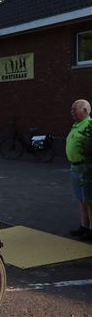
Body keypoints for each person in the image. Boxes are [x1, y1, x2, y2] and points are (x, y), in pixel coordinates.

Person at [66, 99, 92, 241]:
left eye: (74, 109)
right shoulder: (76, 125)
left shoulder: (89, 125)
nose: (72, 112)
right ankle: (84, 226)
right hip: (75, 167)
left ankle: (91, 229)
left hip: (85, 167)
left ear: (85, 111)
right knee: (81, 199)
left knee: (89, 200)